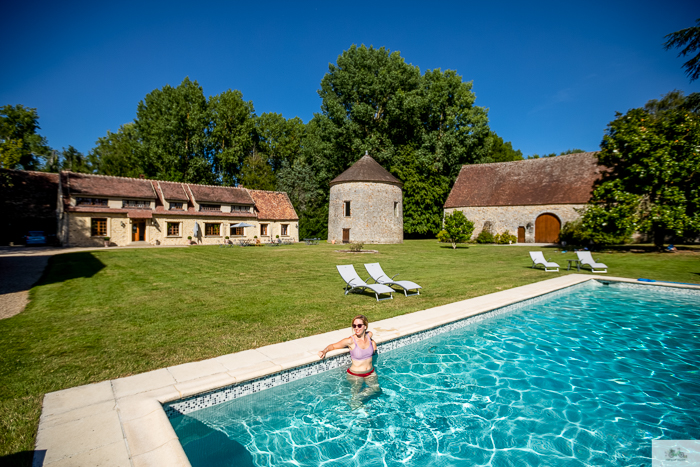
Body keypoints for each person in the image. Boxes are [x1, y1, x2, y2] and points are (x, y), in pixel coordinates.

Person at [319, 314, 380, 404]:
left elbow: (371, 337)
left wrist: (373, 343)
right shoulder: (350, 341)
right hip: (355, 374)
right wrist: (324, 351)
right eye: (354, 326)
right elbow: (333, 346)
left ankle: (358, 400)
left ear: (365, 327)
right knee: (355, 396)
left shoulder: (369, 335)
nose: (356, 328)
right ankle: (357, 407)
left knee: (376, 389)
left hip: (370, 372)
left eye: (359, 325)